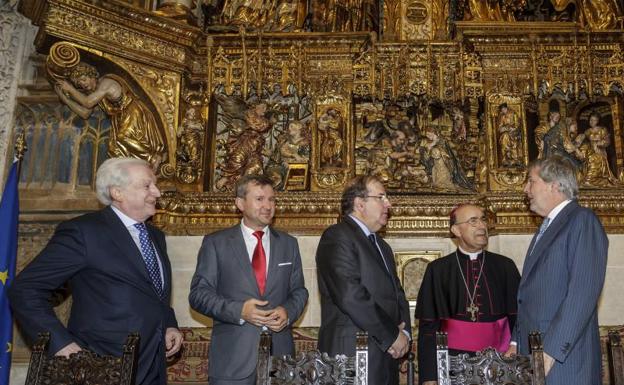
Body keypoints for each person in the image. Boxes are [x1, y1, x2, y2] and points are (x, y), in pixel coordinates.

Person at [9, 157, 182, 385]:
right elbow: (25, 289)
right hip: (100, 367)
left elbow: (153, 292)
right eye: (147, 185)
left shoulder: (155, 236)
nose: (158, 193)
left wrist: (168, 324)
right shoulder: (84, 232)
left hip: (151, 366)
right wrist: (60, 344)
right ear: (117, 192)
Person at [189, 174, 308, 385]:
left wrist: (287, 311)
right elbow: (199, 295)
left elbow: (299, 291)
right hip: (232, 360)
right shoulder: (216, 243)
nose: (268, 206)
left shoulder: (289, 244)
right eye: (260, 199)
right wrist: (239, 311)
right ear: (240, 203)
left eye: (272, 199)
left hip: (280, 361)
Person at [516, 156, 608, 385]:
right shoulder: (545, 229)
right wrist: (516, 342)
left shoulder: (582, 221)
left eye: (530, 181)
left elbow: (582, 293)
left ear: (554, 184)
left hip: (563, 361)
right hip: (537, 356)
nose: (525, 189)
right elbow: (529, 296)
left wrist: (551, 352)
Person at [316, 175, 411, 385]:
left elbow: (397, 294)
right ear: (359, 203)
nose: (389, 204)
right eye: (381, 197)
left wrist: (404, 333)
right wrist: (392, 335)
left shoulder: (382, 245)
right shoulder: (337, 236)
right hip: (351, 353)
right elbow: (350, 295)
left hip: (385, 353)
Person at [415, 203, 521, 385]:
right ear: (456, 230)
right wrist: (430, 377)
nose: (481, 226)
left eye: (483, 219)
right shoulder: (438, 270)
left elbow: (519, 316)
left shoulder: (505, 266)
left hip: (499, 362)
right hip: (451, 363)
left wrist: (515, 347)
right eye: (473, 221)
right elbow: (428, 328)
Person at [55, 63, 166, 169]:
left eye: (84, 79)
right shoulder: (95, 93)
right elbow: (85, 113)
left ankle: (153, 158)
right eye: (79, 84)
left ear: (92, 75)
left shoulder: (106, 83)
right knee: (114, 149)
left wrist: (70, 89)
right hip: (120, 116)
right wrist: (65, 99)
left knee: (124, 137)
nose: (83, 84)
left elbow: (88, 102)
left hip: (132, 110)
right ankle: (136, 169)